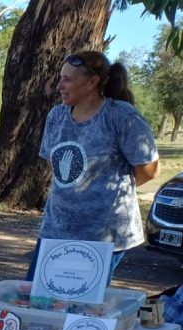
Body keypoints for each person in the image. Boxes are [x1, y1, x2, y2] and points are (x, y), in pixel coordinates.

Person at [27, 50, 160, 284]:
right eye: (60, 78)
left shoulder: (120, 117)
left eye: (67, 79)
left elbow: (149, 169)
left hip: (103, 234)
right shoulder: (56, 116)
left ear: (92, 82)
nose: (59, 86)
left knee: (82, 308)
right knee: (38, 299)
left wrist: (105, 189)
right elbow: (55, 166)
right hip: (56, 229)